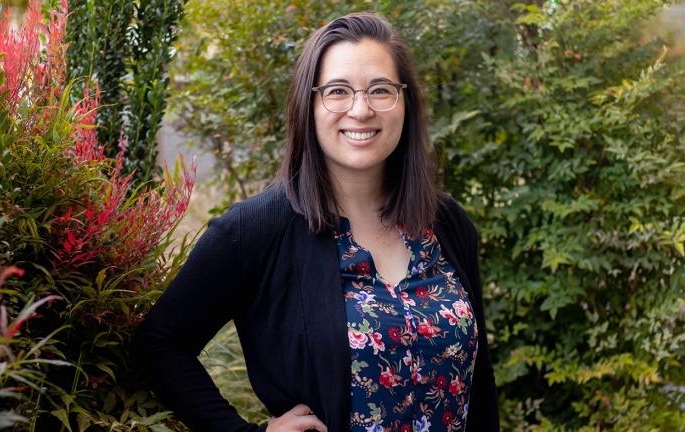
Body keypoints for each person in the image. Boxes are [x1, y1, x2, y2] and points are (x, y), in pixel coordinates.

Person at [132, 12, 499, 432]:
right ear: (308, 104)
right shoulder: (254, 231)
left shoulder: (446, 223)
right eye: (337, 91)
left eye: (380, 90)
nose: (360, 109)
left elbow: (480, 382)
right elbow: (159, 346)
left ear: (405, 103)